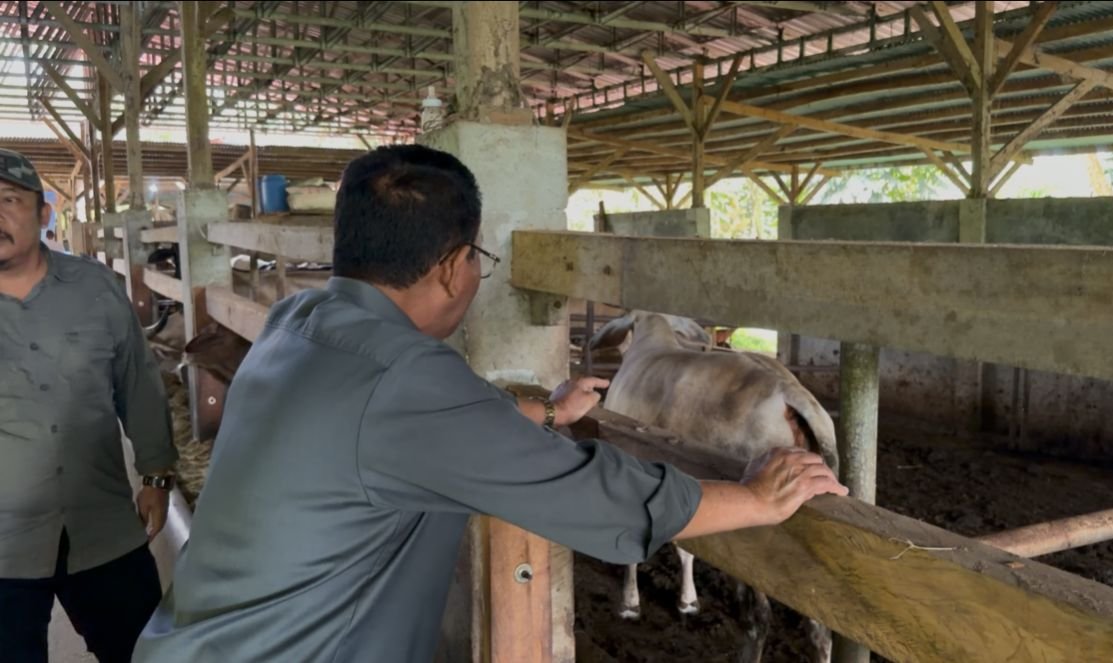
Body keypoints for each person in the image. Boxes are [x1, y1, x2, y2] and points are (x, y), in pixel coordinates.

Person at [132, 145, 847, 663]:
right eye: (477, 256)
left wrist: (539, 412)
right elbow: (595, 496)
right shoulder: (407, 380)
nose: (477, 274)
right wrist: (754, 497)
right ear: (450, 267)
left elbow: (409, 428)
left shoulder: (298, 323)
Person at [0, 147, 178, 663]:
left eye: (10, 199)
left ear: (43, 213)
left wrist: (158, 474)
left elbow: (138, 383)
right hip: (5, 547)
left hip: (101, 526)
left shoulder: (96, 288)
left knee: (141, 653)